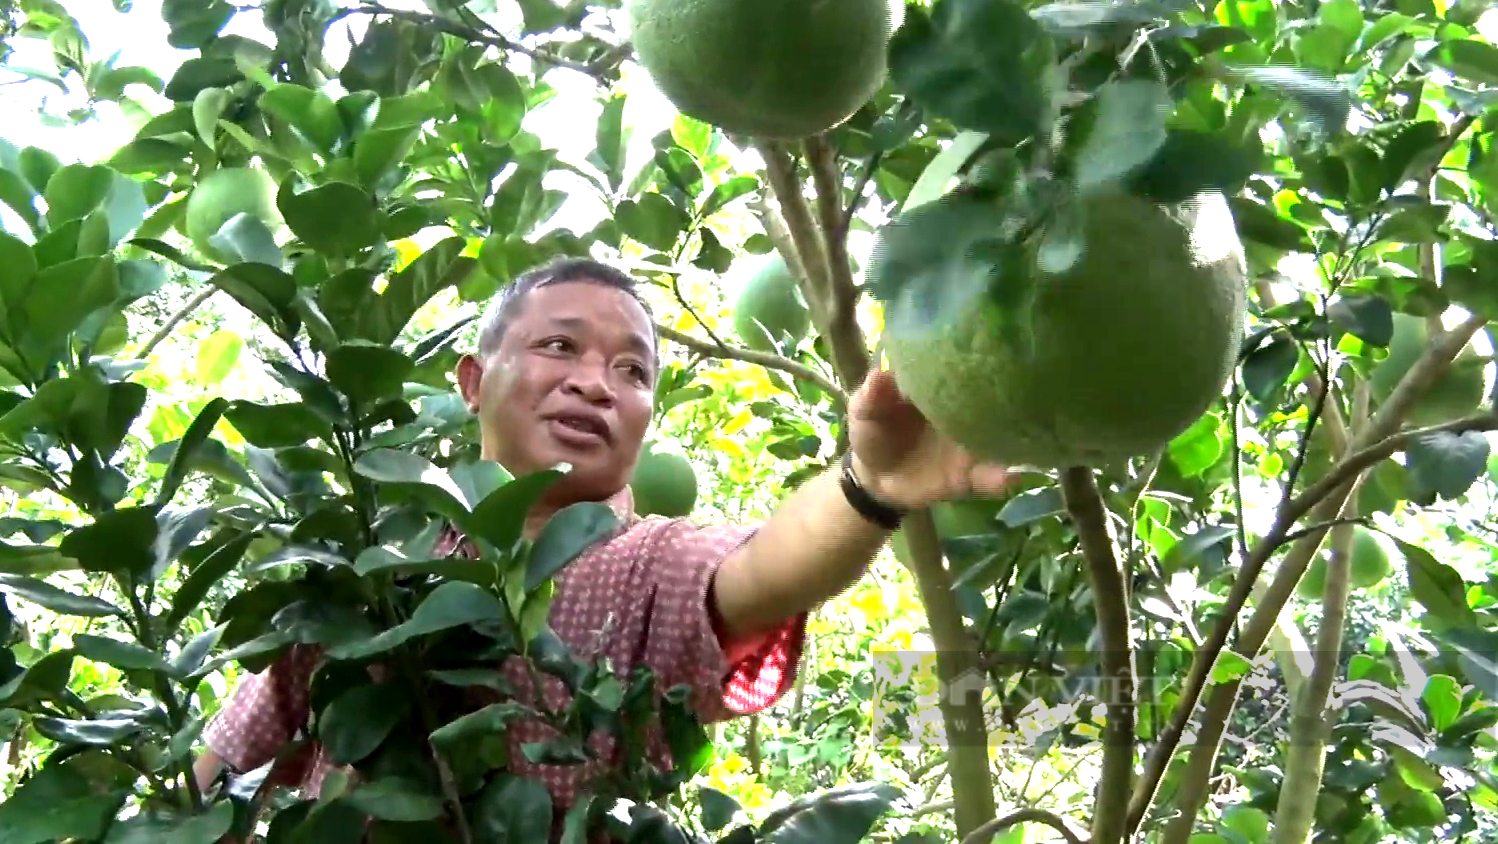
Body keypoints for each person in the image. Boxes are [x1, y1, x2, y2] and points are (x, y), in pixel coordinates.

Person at [192, 256, 1012, 838]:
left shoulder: (643, 566)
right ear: (473, 381)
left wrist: (867, 484)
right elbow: (226, 772)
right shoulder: (372, 562)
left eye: (632, 370)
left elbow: (762, 570)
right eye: (559, 347)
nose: (596, 383)